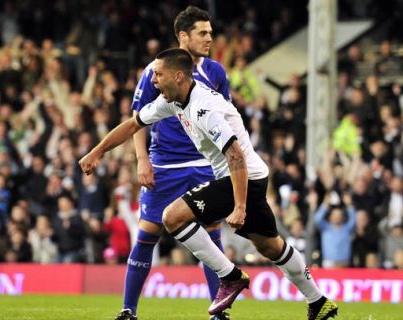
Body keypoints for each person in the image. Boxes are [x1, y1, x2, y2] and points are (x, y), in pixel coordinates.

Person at [79, 48, 338, 320]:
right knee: (270, 246)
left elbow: (235, 154)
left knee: (173, 217)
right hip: (255, 175)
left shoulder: (203, 106)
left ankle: (230, 276)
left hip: (240, 177)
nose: (153, 80)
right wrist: (97, 151)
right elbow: (133, 125)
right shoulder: (173, 100)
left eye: (158, 74)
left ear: (178, 76)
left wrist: (239, 206)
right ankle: (319, 301)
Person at [117, 6, 231, 320]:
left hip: (204, 165)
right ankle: (128, 310)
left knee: (210, 236)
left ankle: (218, 313)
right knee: (146, 234)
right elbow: (137, 119)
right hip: (164, 167)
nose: (210, 38)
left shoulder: (216, 72)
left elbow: (226, 120)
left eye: (210, 32)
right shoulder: (156, 70)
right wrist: (142, 160)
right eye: (203, 33)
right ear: (183, 36)